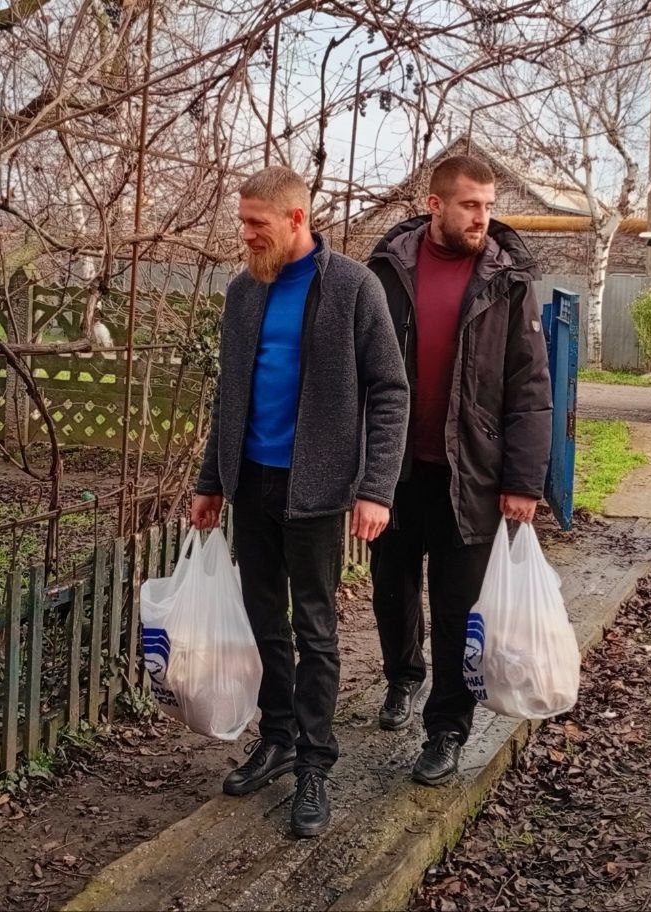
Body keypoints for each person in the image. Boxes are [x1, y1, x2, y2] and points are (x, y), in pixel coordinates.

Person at [190, 166, 408, 838]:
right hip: (252, 480)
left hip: (317, 490)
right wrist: (210, 480)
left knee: (315, 629)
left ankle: (316, 761)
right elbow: (229, 396)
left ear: (295, 219)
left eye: (256, 222)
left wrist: (375, 489)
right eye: (242, 221)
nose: (245, 234)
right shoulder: (243, 292)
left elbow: (390, 391)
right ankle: (278, 739)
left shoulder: (351, 288)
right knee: (266, 621)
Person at [365, 154, 552, 785]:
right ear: (435, 204)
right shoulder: (386, 271)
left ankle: (447, 727)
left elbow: (530, 387)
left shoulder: (507, 280)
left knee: (455, 607)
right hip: (392, 470)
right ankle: (401, 679)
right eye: (471, 205)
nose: (483, 217)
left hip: (469, 470)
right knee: (391, 589)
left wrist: (524, 481)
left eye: (489, 205)